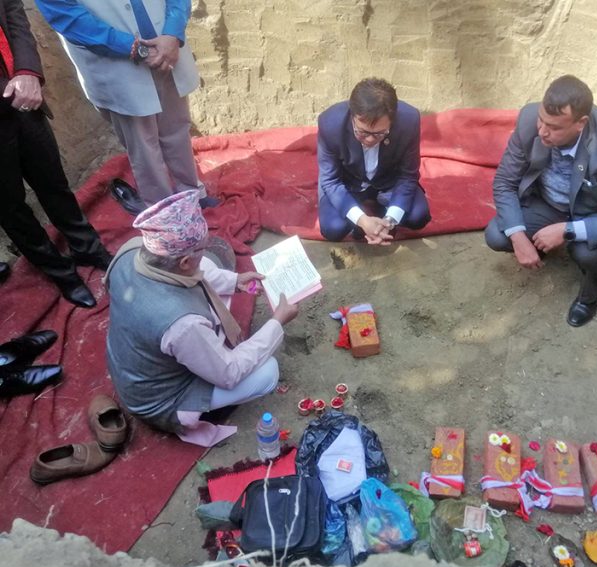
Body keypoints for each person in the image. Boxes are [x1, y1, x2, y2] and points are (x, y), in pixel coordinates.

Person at [105, 190, 298, 446]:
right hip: (164, 399)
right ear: (185, 262)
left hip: (137, 368)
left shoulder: (129, 251)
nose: (204, 251)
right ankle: (201, 409)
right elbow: (229, 372)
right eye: (201, 248)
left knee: (207, 264)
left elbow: (196, 273)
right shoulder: (183, 324)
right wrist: (277, 321)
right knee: (268, 372)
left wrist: (235, 281)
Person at [485, 75, 597, 327]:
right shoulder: (529, 120)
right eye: (541, 120)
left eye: (554, 127)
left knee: (588, 255)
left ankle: (590, 295)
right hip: (547, 203)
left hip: (591, 213)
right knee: (498, 235)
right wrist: (519, 238)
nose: (542, 131)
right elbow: (505, 182)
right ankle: (539, 245)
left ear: (581, 123)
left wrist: (568, 230)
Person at [35, 0, 217, 210]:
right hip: (117, 63)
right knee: (143, 146)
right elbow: (69, 18)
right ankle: (164, 212)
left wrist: (173, 33)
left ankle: (192, 193)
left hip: (169, 50)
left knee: (177, 129)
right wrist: (137, 49)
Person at [1, 0, 112, 308]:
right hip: (11, 95)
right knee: (10, 206)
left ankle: (87, 247)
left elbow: (13, 12)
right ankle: (61, 272)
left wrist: (27, 71)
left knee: (53, 181)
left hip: (23, 98)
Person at [317, 77, 431, 245]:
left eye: (379, 133)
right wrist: (362, 220)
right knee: (333, 228)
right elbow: (330, 181)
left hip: (388, 180)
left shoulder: (409, 120)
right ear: (352, 116)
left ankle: (382, 211)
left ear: (392, 121)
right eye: (362, 132)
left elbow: (408, 176)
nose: (370, 140)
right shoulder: (330, 123)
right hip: (349, 182)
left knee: (418, 216)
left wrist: (389, 220)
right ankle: (361, 217)